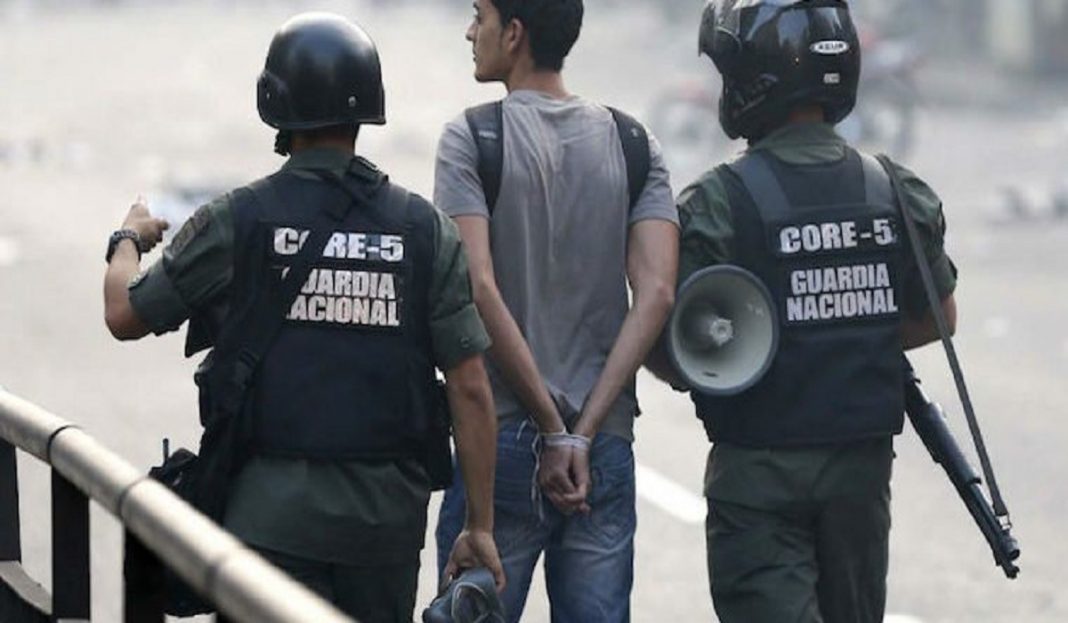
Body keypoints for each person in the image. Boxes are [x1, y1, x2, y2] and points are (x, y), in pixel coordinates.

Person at [102, 13, 503, 622]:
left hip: (268, 526)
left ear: (274, 102)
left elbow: (124, 310)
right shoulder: (425, 232)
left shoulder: (241, 219)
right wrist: (478, 525)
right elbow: (471, 388)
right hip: (384, 533)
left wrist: (126, 237)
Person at [645, 2, 959, 622]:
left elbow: (672, 351)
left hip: (757, 482)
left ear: (754, 79)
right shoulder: (892, 188)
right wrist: (847, 335)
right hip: (860, 482)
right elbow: (939, 318)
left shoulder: (717, 204)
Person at [432, 1, 679, 621]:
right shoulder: (632, 143)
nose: (470, 32)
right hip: (601, 454)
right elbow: (656, 294)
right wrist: (582, 432)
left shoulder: (473, 138)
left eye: (479, 17)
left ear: (513, 35)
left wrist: (549, 424)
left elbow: (478, 288)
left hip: (503, 448)